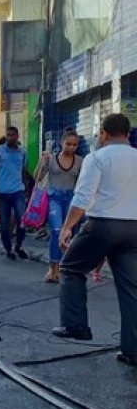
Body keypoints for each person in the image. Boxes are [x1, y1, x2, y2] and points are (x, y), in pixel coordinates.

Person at [53, 113, 137, 369]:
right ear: (127, 133)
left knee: (70, 267)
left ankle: (75, 325)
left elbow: (83, 197)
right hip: (134, 228)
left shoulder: (97, 158)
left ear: (103, 133)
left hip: (102, 224)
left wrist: (67, 227)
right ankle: (133, 350)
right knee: (131, 289)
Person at [35, 131, 83, 283]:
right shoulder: (51, 159)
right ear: (61, 142)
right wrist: (42, 162)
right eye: (68, 144)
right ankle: (52, 267)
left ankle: (63, 266)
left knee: (68, 233)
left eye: (75, 145)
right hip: (54, 197)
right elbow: (38, 177)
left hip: (71, 198)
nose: (71, 147)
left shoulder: (80, 161)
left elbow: (82, 183)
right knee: (56, 231)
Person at [0, 126, 31, 260]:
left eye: (13, 135)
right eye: (8, 135)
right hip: (2, 193)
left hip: (18, 191)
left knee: (21, 220)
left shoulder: (23, 152)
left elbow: (23, 171)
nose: (11, 137)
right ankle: (8, 249)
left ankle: (19, 245)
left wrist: (27, 190)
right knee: (5, 224)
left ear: (18, 136)